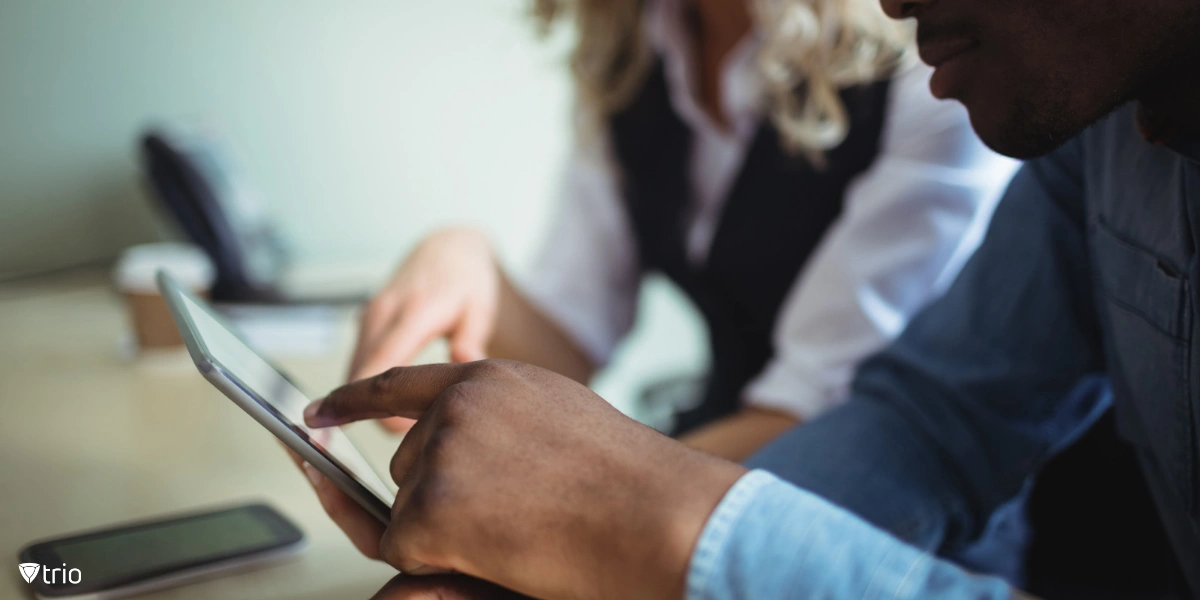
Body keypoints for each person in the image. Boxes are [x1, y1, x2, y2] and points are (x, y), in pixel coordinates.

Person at [293, 0, 1200, 595]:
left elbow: (827, 417)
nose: (889, 2)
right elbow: (932, 421)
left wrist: (615, 523)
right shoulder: (1100, 135)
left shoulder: (951, 82)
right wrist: (472, 261)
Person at [351, 0, 1016, 467]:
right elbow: (569, 345)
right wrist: (469, 258)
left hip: (876, 515)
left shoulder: (927, 74)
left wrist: (566, 502)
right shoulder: (640, 47)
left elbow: (810, 415)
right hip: (710, 460)